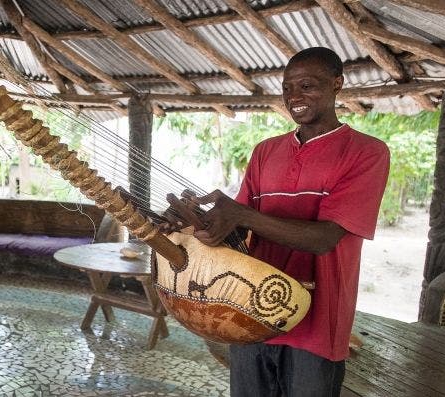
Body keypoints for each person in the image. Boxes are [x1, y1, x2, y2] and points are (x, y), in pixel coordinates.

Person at [166, 47, 390, 396]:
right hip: (247, 311)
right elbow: (237, 231)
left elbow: (324, 239)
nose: (294, 97)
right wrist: (197, 223)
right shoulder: (265, 151)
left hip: (317, 322)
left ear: (337, 84)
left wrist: (240, 213)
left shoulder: (366, 152)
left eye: (307, 85)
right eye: (287, 88)